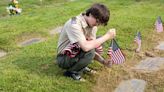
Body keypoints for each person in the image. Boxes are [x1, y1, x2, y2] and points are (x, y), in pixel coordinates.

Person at [56, 3, 116, 81]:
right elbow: (86, 47)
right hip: (63, 58)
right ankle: (72, 72)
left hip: (74, 52)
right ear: (90, 14)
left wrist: (103, 61)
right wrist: (107, 36)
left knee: (97, 41)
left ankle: (81, 66)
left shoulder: (93, 26)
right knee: (90, 47)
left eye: (100, 23)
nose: (97, 25)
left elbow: (91, 47)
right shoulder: (73, 23)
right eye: (97, 21)